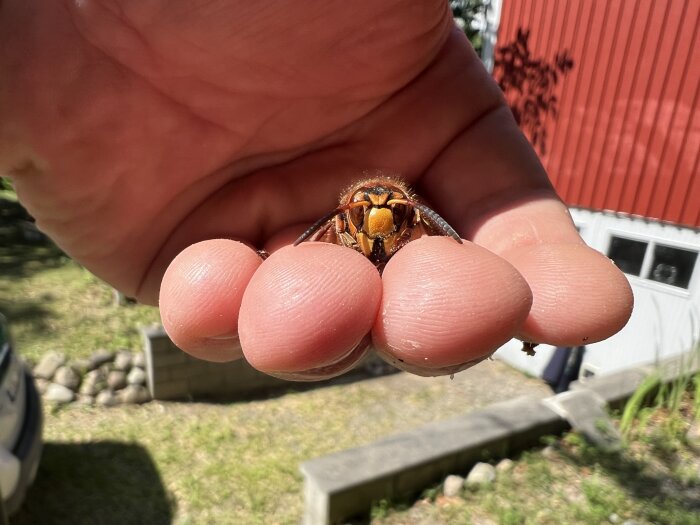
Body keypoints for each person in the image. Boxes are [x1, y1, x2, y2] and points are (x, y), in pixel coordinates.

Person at [0, 1, 632, 380]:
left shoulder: (406, 216)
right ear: (353, 211)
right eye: (371, 211)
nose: (381, 218)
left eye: (392, 211)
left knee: (438, 293)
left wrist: (460, 242)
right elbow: (327, 230)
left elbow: (433, 226)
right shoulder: (347, 220)